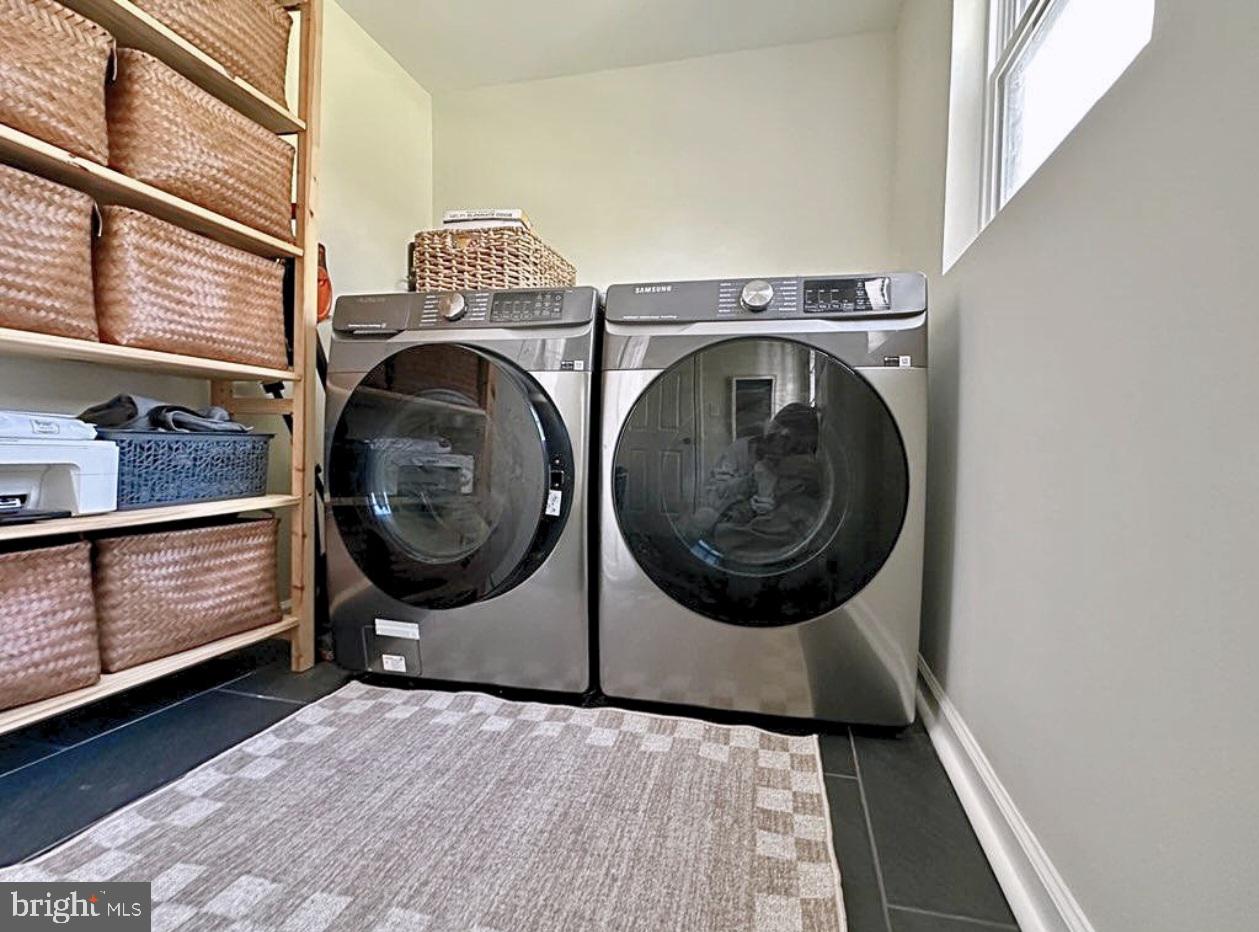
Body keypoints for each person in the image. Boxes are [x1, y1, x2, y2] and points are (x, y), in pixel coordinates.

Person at [688, 402, 822, 564]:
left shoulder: (803, 464)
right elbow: (713, 494)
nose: (780, 443)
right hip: (730, 520)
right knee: (703, 519)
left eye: (791, 443)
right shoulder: (741, 450)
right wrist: (752, 483)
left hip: (770, 535)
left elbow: (803, 504)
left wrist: (773, 502)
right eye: (777, 431)